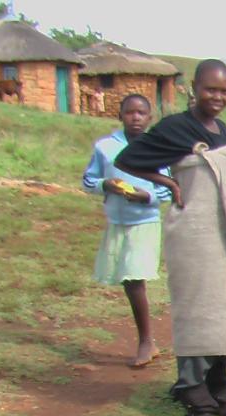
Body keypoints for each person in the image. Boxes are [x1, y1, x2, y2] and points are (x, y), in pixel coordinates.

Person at [115, 59, 226, 416]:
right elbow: (126, 160)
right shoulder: (175, 127)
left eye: (224, 90)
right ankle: (198, 407)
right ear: (193, 89)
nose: (217, 97)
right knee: (200, 316)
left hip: (224, 235)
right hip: (196, 237)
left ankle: (220, 393)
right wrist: (166, 180)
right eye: (210, 89)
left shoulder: (221, 128)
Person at [82, 93, 171, 367]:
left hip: (145, 221)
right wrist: (105, 185)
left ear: (149, 118)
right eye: (130, 112)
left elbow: (167, 187)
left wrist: (147, 197)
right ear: (120, 115)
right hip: (117, 221)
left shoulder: (157, 148)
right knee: (128, 281)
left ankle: (147, 341)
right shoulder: (106, 147)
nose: (135, 117)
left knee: (134, 279)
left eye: (141, 113)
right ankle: (147, 340)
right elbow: (88, 180)